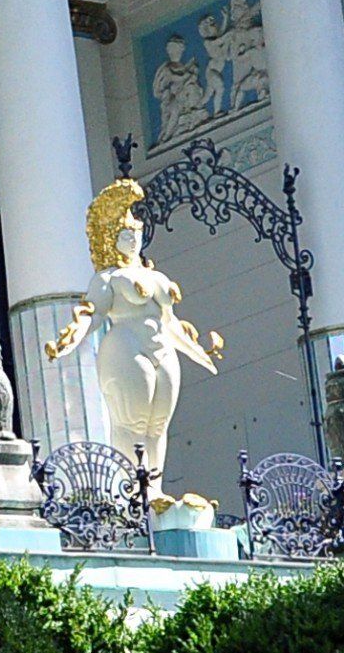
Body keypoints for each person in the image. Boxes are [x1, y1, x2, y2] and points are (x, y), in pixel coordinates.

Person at [45, 177, 221, 489]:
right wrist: (68, 340)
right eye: (125, 235)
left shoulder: (155, 275)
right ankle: (129, 494)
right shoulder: (107, 278)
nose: (132, 241)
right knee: (132, 424)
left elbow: (170, 321)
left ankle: (153, 493)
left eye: (136, 234)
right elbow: (93, 313)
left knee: (158, 426)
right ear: (112, 239)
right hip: (127, 347)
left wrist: (200, 352)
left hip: (162, 350)